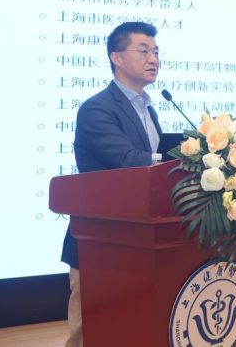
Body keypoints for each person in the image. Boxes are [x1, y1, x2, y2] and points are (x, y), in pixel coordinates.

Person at [60, 21, 163, 347]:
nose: (153, 59)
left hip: (138, 239)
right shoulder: (97, 109)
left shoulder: (149, 109)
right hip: (99, 242)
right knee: (90, 333)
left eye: (156, 52)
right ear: (116, 58)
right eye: (143, 51)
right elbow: (126, 160)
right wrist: (180, 161)